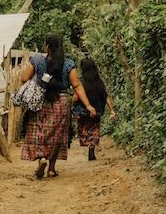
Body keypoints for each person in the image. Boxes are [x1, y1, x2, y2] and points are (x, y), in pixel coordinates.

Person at [18, 33, 96, 179]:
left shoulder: (36, 60)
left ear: (47, 46)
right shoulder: (68, 64)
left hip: (40, 100)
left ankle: (41, 158)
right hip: (61, 101)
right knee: (57, 134)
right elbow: (77, 85)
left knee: (39, 130)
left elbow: (24, 78)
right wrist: (88, 105)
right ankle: (52, 169)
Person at [75, 58, 115, 160]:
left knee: (84, 127)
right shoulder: (99, 82)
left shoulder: (81, 82)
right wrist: (112, 110)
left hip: (83, 111)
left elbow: (76, 97)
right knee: (94, 127)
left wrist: (72, 104)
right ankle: (92, 144)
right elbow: (105, 96)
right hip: (97, 110)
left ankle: (86, 141)